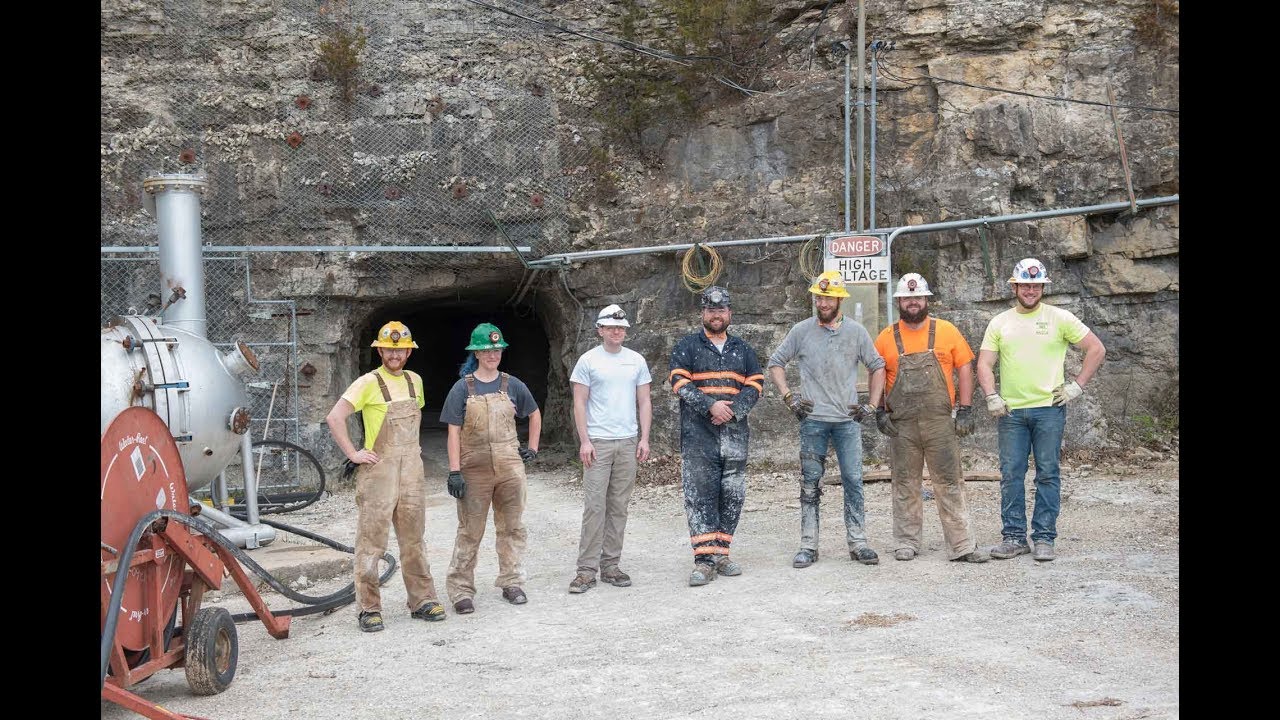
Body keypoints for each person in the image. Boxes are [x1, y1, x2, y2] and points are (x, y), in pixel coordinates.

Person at [977, 258, 1106, 562]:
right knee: (1011, 474)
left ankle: (1045, 537)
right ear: (1015, 286)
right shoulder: (1000, 322)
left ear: (1043, 287)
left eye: (1036, 285)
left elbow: (1096, 348)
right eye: (1025, 285)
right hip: (1011, 413)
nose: (1031, 290)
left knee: (1047, 473)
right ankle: (1013, 537)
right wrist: (991, 395)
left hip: (1049, 409)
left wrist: (1077, 385)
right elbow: (984, 362)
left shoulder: (1060, 318)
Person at [325, 321, 446, 633]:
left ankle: (422, 600)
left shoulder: (414, 381)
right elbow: (335, 417)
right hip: (379, 471)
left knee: (413, 538)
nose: (395, 354)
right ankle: (369, 607)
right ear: (379, 350)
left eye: (401, 349)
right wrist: (354, 453)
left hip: (411, 471)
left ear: (408, 351)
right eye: (389, 349)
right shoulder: (367, 382)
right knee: (371, 541)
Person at [767, 270, 887, 569]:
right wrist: (788, 397)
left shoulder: (856, 332)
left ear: (839, 300)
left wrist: (871, 405)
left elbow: (878, 366)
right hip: (813, 420)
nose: (823, 302)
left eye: (829, 297)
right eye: (819, 296)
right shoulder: (801, 331)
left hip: (847, 420)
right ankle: (808, 545)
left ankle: (858, 542)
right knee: (809, 483)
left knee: (853, 481)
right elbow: (776, 363)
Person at [873, 273, 988, 564]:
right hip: (902, 425)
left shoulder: (946, 331)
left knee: (949, 481)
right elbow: (877, 375)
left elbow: (965, 368)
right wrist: (879, 410)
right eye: (907, 298)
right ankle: (906, 542)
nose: (913, 302)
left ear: (926, 300)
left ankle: (962, 544)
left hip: (939, 422)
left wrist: (965, 408)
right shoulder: (886, 337)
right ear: (899, 302)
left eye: (918, 297)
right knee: (904, 482)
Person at [440, 323, 542, 612]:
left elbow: (534, 414)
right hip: (474, 468)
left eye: (496, 349)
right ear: (476, 353)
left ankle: (512, 582)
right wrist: (455, 470)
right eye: (486, 350)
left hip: (510, 465)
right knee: (470, 530)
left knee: (512, 527)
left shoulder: (512, 384)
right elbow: (453, 431)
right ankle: (461, 591)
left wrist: (532, 448)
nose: (492, 355)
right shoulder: (463, 387)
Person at [668, 286, 766, 586]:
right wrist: (710, 405)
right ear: (703, 313)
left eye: (721, 310)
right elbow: (679, 383)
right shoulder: (687, 346)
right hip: (699, 435)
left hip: (735, 437)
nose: (716, 315)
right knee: (700, 496)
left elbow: (756, 383)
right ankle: (703, 560)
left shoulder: (743, 349)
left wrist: (734, 410)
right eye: (711, 310)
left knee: (732, 496)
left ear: (729, 313)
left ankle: (722, 553)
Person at [567, 304, 653, 593]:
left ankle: (611, 565)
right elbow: (579, 402)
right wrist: (585, 440)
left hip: (628, 440)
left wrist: (644, 438)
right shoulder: (588, 360)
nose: (617, 331)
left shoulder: (636, 360)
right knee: (594, 506)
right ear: (600, 330)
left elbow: (644, 401)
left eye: (621, 328)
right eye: (611, 327)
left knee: (619, 506)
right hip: (599, 442)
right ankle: (586, 570)